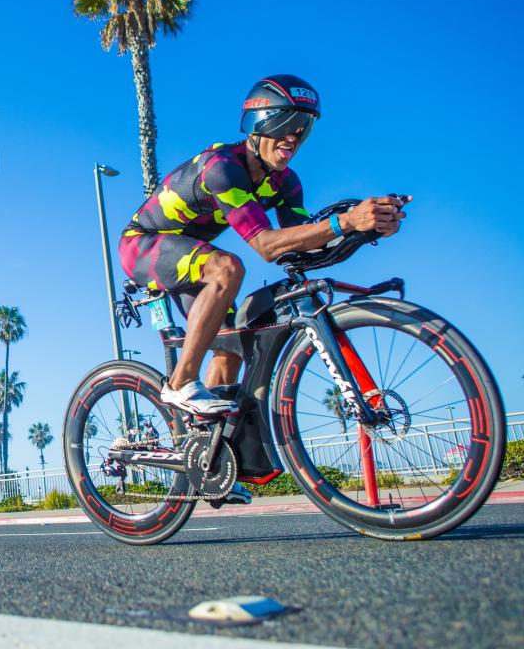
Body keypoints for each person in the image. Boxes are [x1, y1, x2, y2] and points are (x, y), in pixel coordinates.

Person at [119, 74, 407, 417]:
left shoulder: (286, 183)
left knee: (231, 344)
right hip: (142, 246)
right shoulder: (222, 167)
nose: (295, 135)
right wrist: (347, 221)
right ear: (259, 122)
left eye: (305, 126)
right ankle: (180, 383)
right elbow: (267, 246)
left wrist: (365, 230)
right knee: (227, 268)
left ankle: (205, 446)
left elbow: (300, 245)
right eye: (289, 122)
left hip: (192, 253)